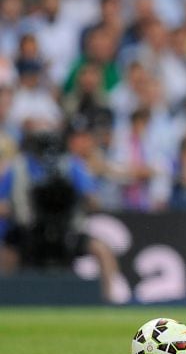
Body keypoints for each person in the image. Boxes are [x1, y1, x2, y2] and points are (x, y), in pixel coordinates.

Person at [0, 125, 119, 302]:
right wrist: (16, 209)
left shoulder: (72, 165)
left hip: (67, 231)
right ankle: (5, 299)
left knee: (101, 250)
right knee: (5, 254)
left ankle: (110, 300)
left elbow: (94, 201)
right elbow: (2, 205)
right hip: (29, 231)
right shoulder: (18, 167)